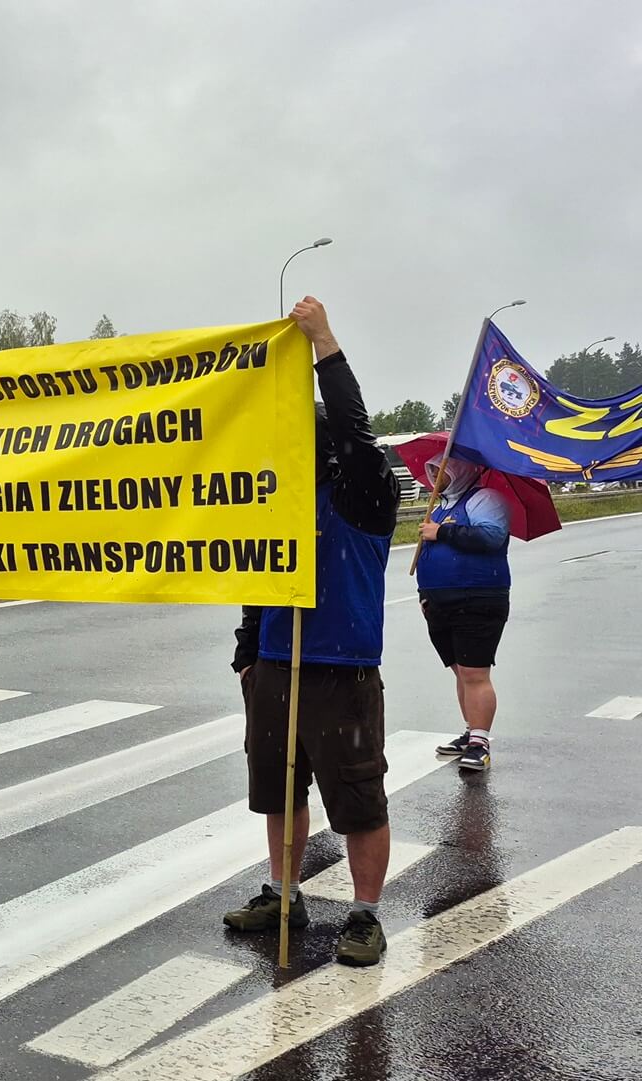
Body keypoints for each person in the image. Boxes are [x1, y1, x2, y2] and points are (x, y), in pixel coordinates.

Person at [227, 297, 400, 968]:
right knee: (279, 789)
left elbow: (355, 430)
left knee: (358, 799)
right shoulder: (279, 503)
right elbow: (255, 577)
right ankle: (284, 891)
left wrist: (322, 341)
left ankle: (365, 913)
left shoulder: (365, 492)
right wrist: (249, 652)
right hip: (276, 667)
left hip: (343, 671)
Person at [416, 454, 512, 772]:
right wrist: (425, 594)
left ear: (460, 469)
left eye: (440, 468)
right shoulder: (440, 506)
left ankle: (480, 743)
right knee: (460, 670)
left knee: (474, 673)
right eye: (431, 470)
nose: (434, 476)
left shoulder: (485, 498)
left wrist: (440, 533)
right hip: (439, 603)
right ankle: (471, 731)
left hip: (477, 598)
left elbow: (491, 536)